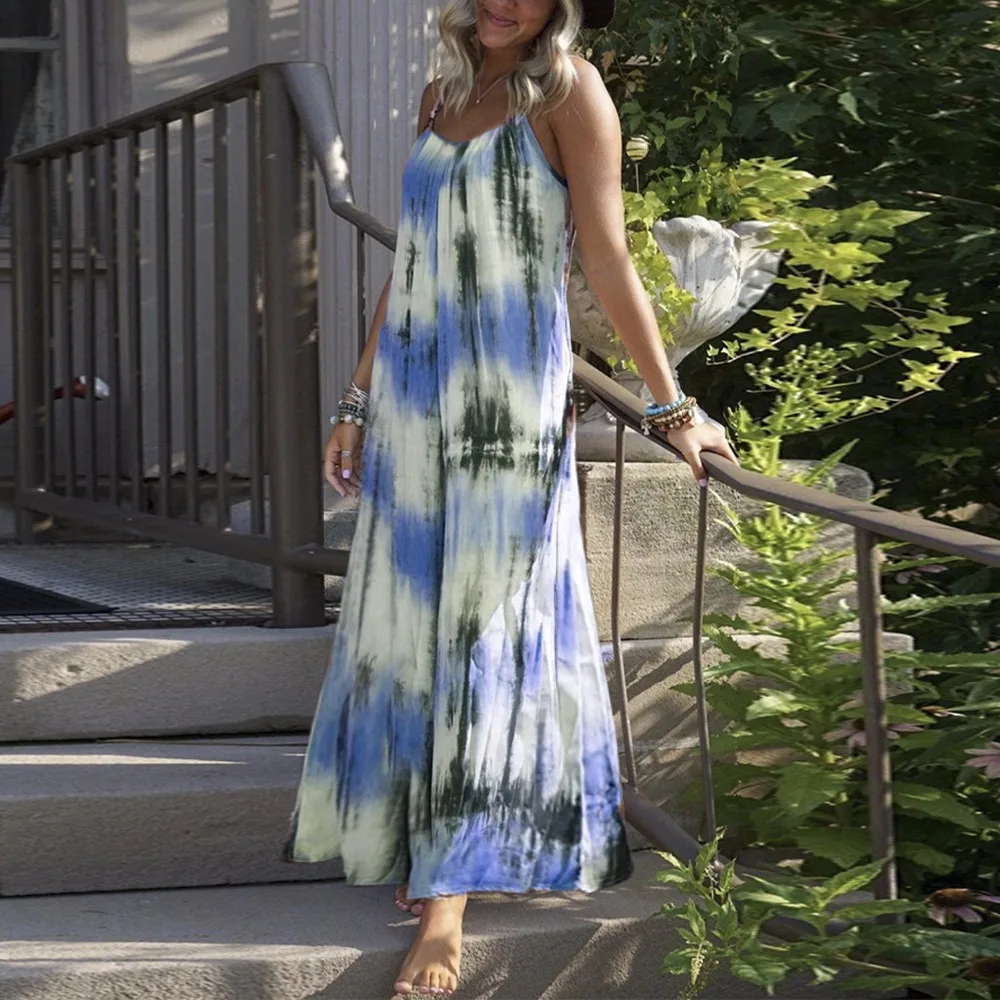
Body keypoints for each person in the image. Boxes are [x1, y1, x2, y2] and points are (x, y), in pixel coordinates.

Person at [285, 0, 739, 995]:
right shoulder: (439, 94)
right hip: (414, 397)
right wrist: (356, 400)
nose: (505, 1)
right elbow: (412, 262)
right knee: (412, 620)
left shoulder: (571, 94)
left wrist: (668, 407)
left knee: (484, 625)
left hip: (504, 401)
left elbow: (606, 255)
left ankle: (449, 891)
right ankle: (418, 827)